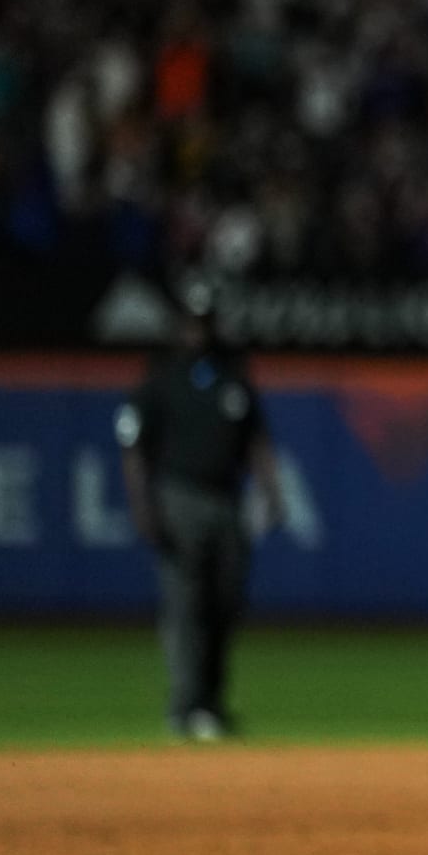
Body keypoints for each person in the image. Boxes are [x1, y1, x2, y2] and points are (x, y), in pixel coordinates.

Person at [114, 280, 287, 740]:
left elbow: (257, 440)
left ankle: (211, 702)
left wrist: (272, 493)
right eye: (192, 322)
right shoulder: (161, 379)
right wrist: (143, 507)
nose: (199, 330)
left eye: (205, 321)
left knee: (225, 603)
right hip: (179, 496)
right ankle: (187, 705)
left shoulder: (233, 376)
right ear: (180, 326)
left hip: (227, 501)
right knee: (185, 605)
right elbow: (133, 449)